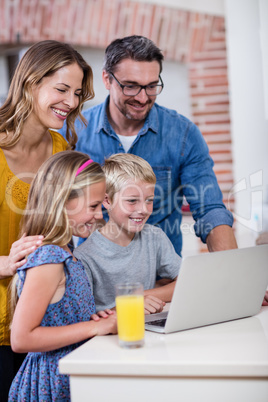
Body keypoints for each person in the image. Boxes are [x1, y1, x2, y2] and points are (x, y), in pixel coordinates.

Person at [59, 35, 237, 256]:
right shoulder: (72, 133)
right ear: (107, 79)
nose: (143, 98)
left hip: (162, 279)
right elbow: (54, 210)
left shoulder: (183, 134)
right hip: (94, 277)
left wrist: (233, 271)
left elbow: (210, 210)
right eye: (131, 86)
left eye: (151, 86)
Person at [0, 40, 94, 401]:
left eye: (77, 93)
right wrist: (6, 263)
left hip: (44, 331)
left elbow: (63, 239)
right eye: (61, 89)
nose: (71, 103)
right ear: (30, 83)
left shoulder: (61, 151)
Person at [8, 150, 117, 402]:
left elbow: (59, 318)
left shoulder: (66, 253)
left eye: (100, 205)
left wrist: (91, 319)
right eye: (93, 206)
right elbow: (22, 338)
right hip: (53, 381)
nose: (100, 215)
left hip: (71, 370)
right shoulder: (49, 258)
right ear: (62, 201)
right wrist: (95, 327)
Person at [74, 153, 181, 314]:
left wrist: (141, 296)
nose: (144, 210)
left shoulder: (154, 237)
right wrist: (129, 304)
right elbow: (84, 319)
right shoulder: (84, 257)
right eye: (132, 201)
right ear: (107, 201)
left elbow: (187, 281)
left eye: (149, 200)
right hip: (107, 336)